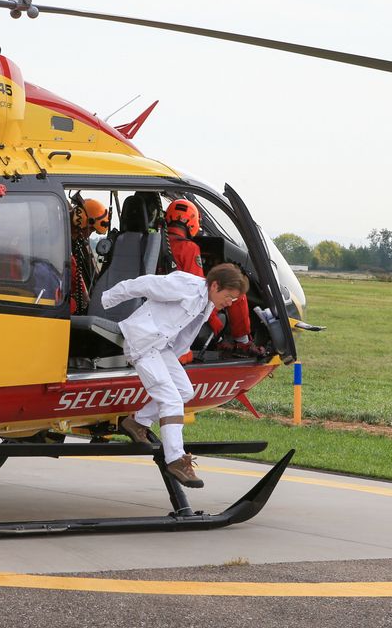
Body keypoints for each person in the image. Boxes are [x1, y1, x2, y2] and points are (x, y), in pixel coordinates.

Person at [103, 263, 249, 488]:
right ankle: (176, 460)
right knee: (170, 399)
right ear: (215, 285)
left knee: (184, 391)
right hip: (142, 342)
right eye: (229, 297)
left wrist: (175, 355)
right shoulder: (186, 286)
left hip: (162, 347)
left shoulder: (206, 302)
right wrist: (107, 300)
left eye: (234, 300)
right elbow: (145, 284)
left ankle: (137, 423)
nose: (229, 303)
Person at [164, 199, 255, 357]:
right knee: (237, 294)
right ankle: (243, 342)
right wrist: (214, 321)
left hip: (167, 302)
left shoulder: (157, 241)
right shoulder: (189, 248)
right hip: (185, 309)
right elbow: (199, 289)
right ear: (192, 223)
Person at [69, 197, 110, 315]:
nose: (88, 235)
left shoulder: (76, 242)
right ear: (80, 218)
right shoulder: (60, 238)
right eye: (90, 229)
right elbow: (73, 270)